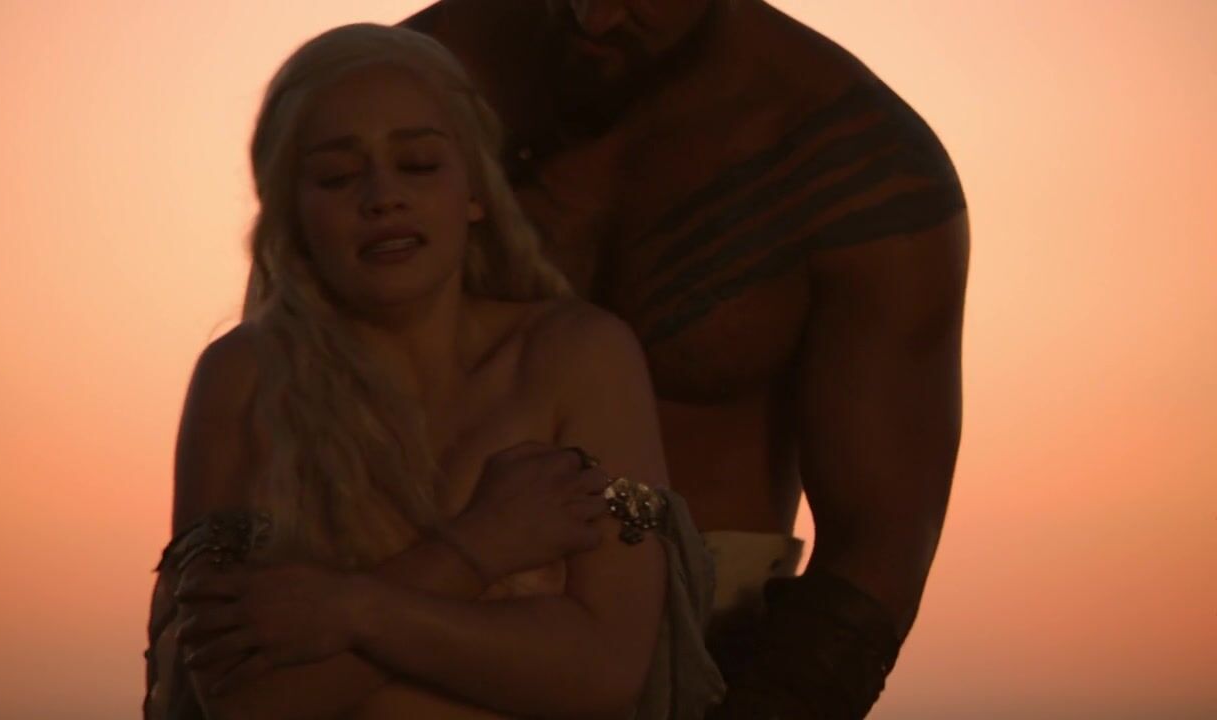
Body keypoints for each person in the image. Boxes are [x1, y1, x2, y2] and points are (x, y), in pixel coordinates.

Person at [402, 1, 970, 717]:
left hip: (704, 675)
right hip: (393, 649)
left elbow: (877, 551)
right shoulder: (401, 92)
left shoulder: (859, 161)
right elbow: (288, 393)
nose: (596, 19)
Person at [144, 23, 725, 720]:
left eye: (418, 164)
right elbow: (246, 704)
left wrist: (343, 612)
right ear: (292, 213)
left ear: (475, 189)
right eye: (337, 176)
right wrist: (479, 548)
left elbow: (604, 674)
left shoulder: (577, 357)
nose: (382, 196)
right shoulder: (242, 378)